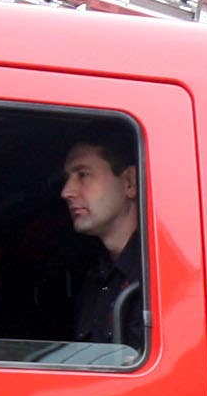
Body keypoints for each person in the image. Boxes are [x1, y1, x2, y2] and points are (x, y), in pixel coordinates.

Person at [58, 127, 145, 354]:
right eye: (67, 179)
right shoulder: (96, 280)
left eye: (83, 174)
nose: (66, 191)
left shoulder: (163, 276)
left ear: (129, 182)